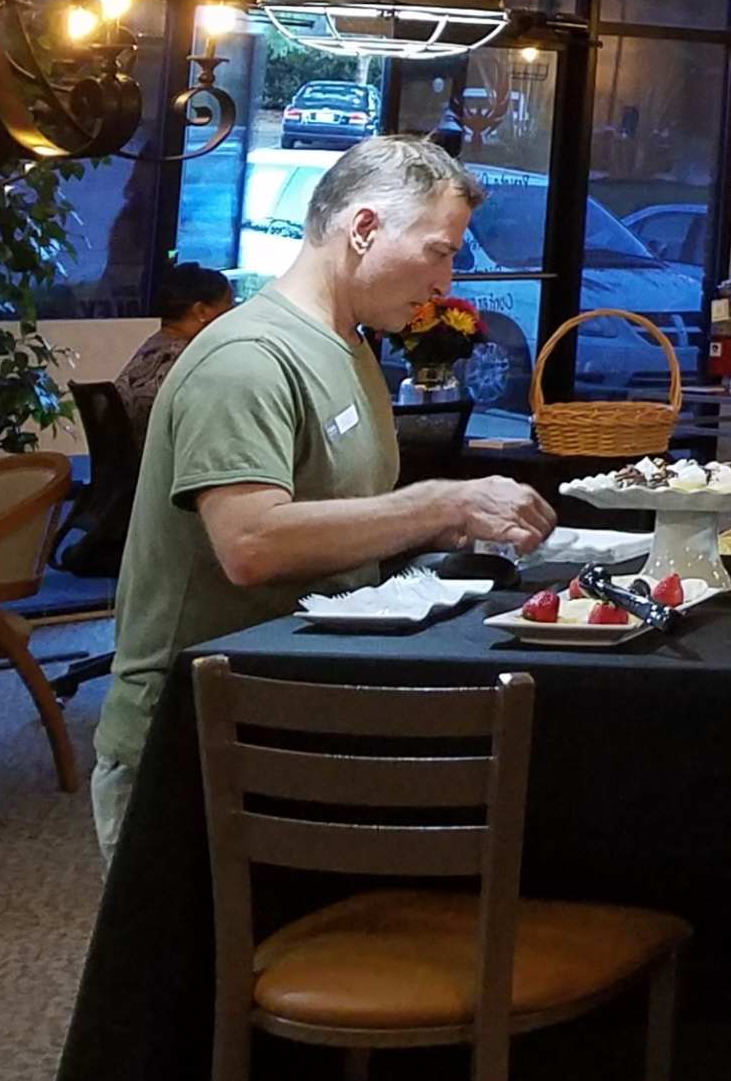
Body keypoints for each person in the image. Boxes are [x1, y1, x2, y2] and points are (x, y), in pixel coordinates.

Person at [93, 138, 554, 858]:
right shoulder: (247, 360)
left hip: (289, 708)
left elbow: (338, 515)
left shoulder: (351, 346)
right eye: (438, 252)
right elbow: (251, 544)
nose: (446, 280)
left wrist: (439, 529)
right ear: (364, 229)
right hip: (191, 736)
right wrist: (436, 505)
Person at [114, 263, 234, 419]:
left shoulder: (156, 345)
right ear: (201, 311)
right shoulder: (189, 361)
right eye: (229, 304)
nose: (234, 313)